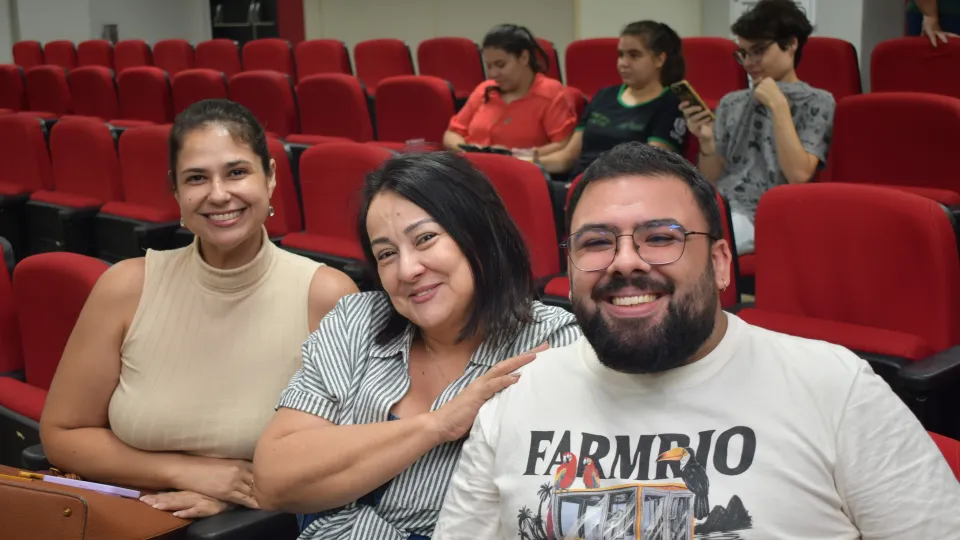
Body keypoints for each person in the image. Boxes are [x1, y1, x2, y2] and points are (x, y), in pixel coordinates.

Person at [433, 142, 960, 539]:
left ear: (720, 263)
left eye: (660, 238)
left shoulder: (834, 388)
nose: (624, 262)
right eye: (596, 243)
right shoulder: (518, 396)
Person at [39, 99, 358, 519]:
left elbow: (348, 456)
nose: (219, 194)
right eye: (196, 178)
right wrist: (190, 472)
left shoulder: (327, 296)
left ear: (271, 177)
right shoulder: (125, 287)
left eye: (237, 172)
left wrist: (242, 493)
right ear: (176, 190)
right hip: (133, 523)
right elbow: (63, 433)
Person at [251, 152, 582, 540]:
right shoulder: (356, 321)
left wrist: (328, 488)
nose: (408, 270)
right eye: (387, 254)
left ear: (480, 233)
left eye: (425, 239)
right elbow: (274, 479)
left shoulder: (552, 344)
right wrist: (437, 426)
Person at [681, 0, 834, 256]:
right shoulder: (732, 102)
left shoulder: (818, 101)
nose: (749, 62)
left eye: (758, 51)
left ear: (791, 44)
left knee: (692, 247)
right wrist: (707, 143)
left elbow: (798, 174)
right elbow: (711, 177)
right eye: (743, 53)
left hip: (764, 214)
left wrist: (778, 106)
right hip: (718, 206)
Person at [539, 21, 688, 177]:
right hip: (577, 184)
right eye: (621, 55)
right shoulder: (604, 95)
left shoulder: (670, 103)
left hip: (621, 190)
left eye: (634, 55)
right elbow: (567, 158)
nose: (623, 63)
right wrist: (526, 162)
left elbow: (648, 168)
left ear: (659, 59)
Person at [442, 24, 576, 158]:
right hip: (473, 169)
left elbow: (561, 145)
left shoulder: (551, 93)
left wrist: (518, 156)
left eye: (501, 65)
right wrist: (467, 151)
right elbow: (452, 133)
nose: (493, 74)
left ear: (524, 57)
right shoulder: (484, 90)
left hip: (519, 171)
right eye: (488, 66)